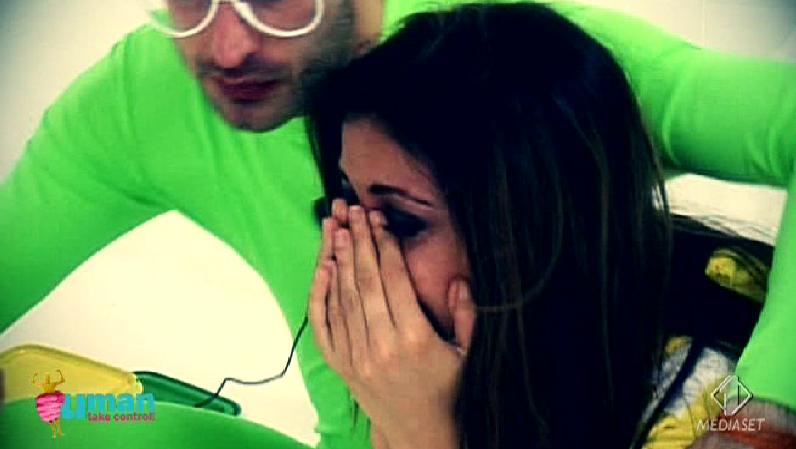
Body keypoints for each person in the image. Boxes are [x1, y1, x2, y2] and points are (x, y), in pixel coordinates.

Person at [0, 1, 794, 448]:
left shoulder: (519, 59)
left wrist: (758, 417)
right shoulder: (140, 94)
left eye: (402, 222)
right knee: (56, 418)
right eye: (335, 208)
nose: (226, 44)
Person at [306, 4, 796, 449]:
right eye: (343, 203)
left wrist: (423, 436)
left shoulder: (704, 402)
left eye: (400, 221)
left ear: (527, 238)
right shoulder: (502, 381)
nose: (350, 250)